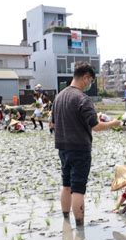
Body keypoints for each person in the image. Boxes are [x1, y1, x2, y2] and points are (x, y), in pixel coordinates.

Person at [52, 62, 121, 227]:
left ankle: (66, 222)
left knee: (66, 184)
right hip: (80, 149)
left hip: (63, 147)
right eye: (90, 81)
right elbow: (96, 127)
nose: (90, 84)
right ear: (85, 77)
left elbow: (53, 123)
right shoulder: (83, 98)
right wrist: (113, 123)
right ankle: (80, 227)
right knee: (78, 188)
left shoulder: (59, 96)